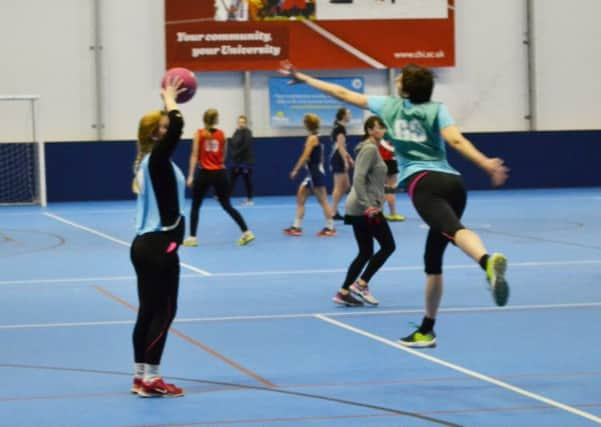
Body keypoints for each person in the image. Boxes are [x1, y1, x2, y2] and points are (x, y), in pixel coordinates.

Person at [279, 61, 509, 348]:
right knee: (433, 259)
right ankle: (427, 329)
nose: (396, 78)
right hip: (454, 183)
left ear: (405, 88)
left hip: (424, 183)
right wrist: (485, 163)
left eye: (400, 77)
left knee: (453, 230)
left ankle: (487, 262)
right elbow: (456, 141)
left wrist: (304, 77)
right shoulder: (437, 109)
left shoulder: (389, 106)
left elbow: (342, 93)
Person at [130, 76, 187, 397]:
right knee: (164, 311)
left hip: (144, 245)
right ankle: (152, 379)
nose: (169, 129)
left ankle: (140, 376)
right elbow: (178, 125)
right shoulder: (158, 161)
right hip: (158, 246)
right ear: (156, 133)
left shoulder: (148, 163)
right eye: (163, 127)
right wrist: (170, 99)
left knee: (147, 311)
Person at [333, 116, 396, 307]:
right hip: (365, 209)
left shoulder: (371, 148)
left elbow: (370, 179)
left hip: (359, 208)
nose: (382, 130)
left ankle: (344, 292)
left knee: (365, 252)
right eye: (378, 127)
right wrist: (368, 204)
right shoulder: (369, 149)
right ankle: (361, 284)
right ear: (369, 130)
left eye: (382, 127)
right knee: (388, 246)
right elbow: (358, 178)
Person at [183, 108, 255, 247]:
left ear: (204, 119)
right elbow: (223, 156)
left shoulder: (199, 134)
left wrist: (191, 175)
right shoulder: (222, 135)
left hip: (205, 173)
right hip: (220, 173)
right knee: (227, 205)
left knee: (196, 206)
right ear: (216, 120)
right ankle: (246, 232)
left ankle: (192, 237)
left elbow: (194, 155)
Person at [283, 113, 336, 237]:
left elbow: (305, 156)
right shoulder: (316, 136)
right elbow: (321, 156)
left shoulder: (312, 138)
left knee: (322, 200)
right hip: (312, 173)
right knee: (301, 196)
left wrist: (296, 169)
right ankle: (296, 227)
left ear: (307, 124)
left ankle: (330, 228)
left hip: (314, 173)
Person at [329, 107, 354, 220]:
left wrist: (349, 158)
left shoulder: (339, 127)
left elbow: (342, 147)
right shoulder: (340, 129)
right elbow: (340, 147)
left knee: (346, 186)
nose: (350, 115)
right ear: (343, 115)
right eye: (349, 113)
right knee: (339, 187)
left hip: (339, 157)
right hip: (338, 159)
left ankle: (336, 210)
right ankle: (333, 212)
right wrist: (345, 160)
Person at [229, 115, 255, 206]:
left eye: (243, 122)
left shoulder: (248, 132)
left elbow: (245, 146)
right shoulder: (236, 132)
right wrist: (233, 154)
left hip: (246, 162)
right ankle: (225, 196)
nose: (241, 123)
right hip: (236, 161)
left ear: (246, 123)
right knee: (232, 179)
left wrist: (236, 154)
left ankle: (250, 200)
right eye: (240, 122)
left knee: (247, 180)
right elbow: (232, 144)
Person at [378, 139, 405, 222]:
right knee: (390, 189)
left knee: (383, 189)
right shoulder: (388, 133)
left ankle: (379, 212)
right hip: (389, 161)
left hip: (381, 161)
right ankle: (392, 214)